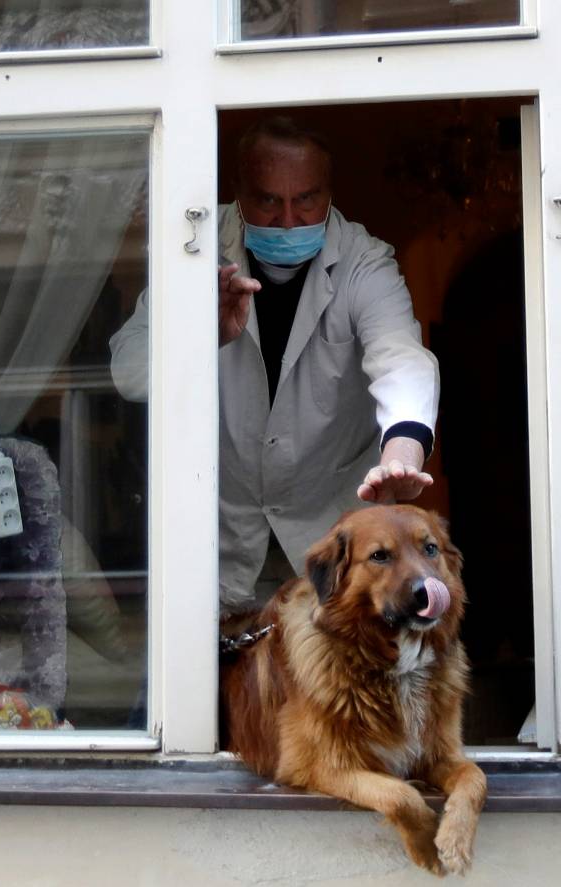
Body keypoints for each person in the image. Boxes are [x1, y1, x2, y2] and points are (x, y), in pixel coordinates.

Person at [109, 116, 440, 615]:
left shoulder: (362, 262)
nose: (288, 221)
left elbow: (403, 362)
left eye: (306, 199)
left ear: (329, 194)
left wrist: (402, 457)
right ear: (238, 194)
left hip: (327, 541)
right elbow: (129, 372)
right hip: (217, 537)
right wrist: (199, 333)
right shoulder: (194, 247)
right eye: (268, 201)